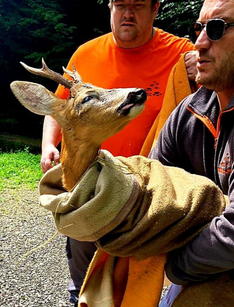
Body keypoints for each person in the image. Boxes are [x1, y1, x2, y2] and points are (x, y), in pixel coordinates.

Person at [40, 0, 196, 304]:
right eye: (121, 4)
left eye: (138, 5)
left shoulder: (182, 54)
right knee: (85, 271)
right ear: (110, 6)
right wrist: (48, 144)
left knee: (139, 273)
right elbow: (59, 107)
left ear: (155, 9)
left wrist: (199, 69)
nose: (128, 13)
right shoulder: (85, 54)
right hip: (89, 187)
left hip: (148, 194)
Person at [149, 0, 234, 305]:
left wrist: (172, 265)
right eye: (199, 28)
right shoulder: (189, 113)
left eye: (216, 29)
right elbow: (152, 187)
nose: (198, 43)